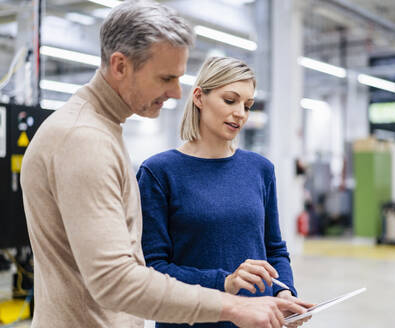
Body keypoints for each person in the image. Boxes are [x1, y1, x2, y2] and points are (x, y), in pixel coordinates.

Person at [20, 2, 305, 328]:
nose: (175, 92)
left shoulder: (102, 131)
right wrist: (231, 303)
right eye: (166, 78)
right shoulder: (84, 140)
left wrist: (279, 293)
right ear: (120, 65)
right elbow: (117, 279)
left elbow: (274, 246)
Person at [137, 56, 313, 328]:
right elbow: (153, 270)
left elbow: (274, 249)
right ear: (199, 97)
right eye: (230, 101)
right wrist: (225, 282)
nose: (241, 113)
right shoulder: (159, 172)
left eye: (248, 105)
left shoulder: (260, 169)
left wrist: (284, 293)